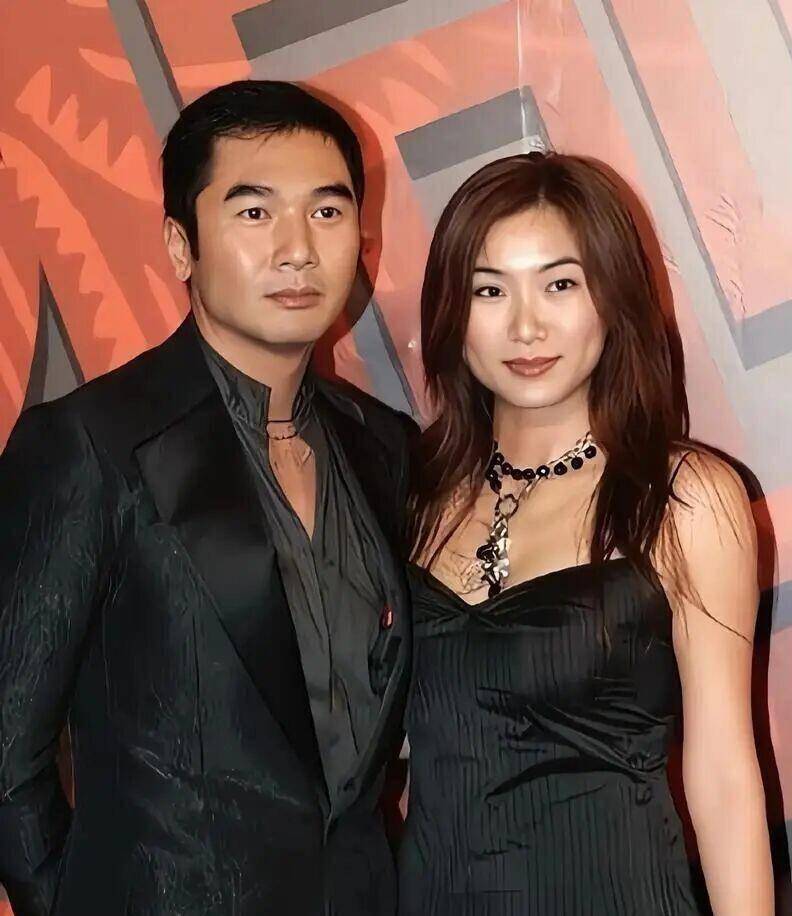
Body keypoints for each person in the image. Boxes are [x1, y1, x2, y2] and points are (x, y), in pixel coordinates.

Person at [0, 80, 415, 916]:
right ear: (179, 244)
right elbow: (7, 754)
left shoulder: (388, 447)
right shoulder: (92, 445)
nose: (297, 249)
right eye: (254, 212)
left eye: (326, 212)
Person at [399, 152, 773, 915]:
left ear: (612, 296)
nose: (526, 325)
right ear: (452, 313)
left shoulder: (685, 497)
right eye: (490, 289)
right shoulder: (415, 497)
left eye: (560, 284)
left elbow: (724, 778)